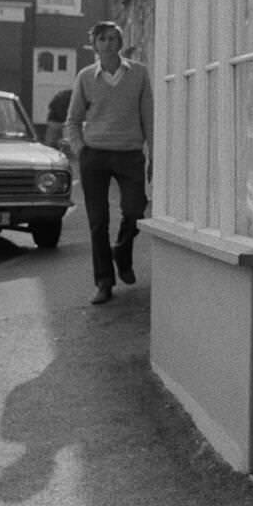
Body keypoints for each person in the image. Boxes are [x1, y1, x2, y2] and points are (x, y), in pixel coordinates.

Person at [64, 21, 153, 305]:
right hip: (96, 155)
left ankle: (123, 252)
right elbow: (73, 120)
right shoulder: (86, 77)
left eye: (114, 38)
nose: (108, 43)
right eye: (102, 39)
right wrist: (81, 151)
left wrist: (154, 154)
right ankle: (104, 281)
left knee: (135, 210)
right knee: (97, 221)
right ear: (95, 45)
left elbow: (148, 117)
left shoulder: (138, 74)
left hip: (129, 154)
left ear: (121, 43)